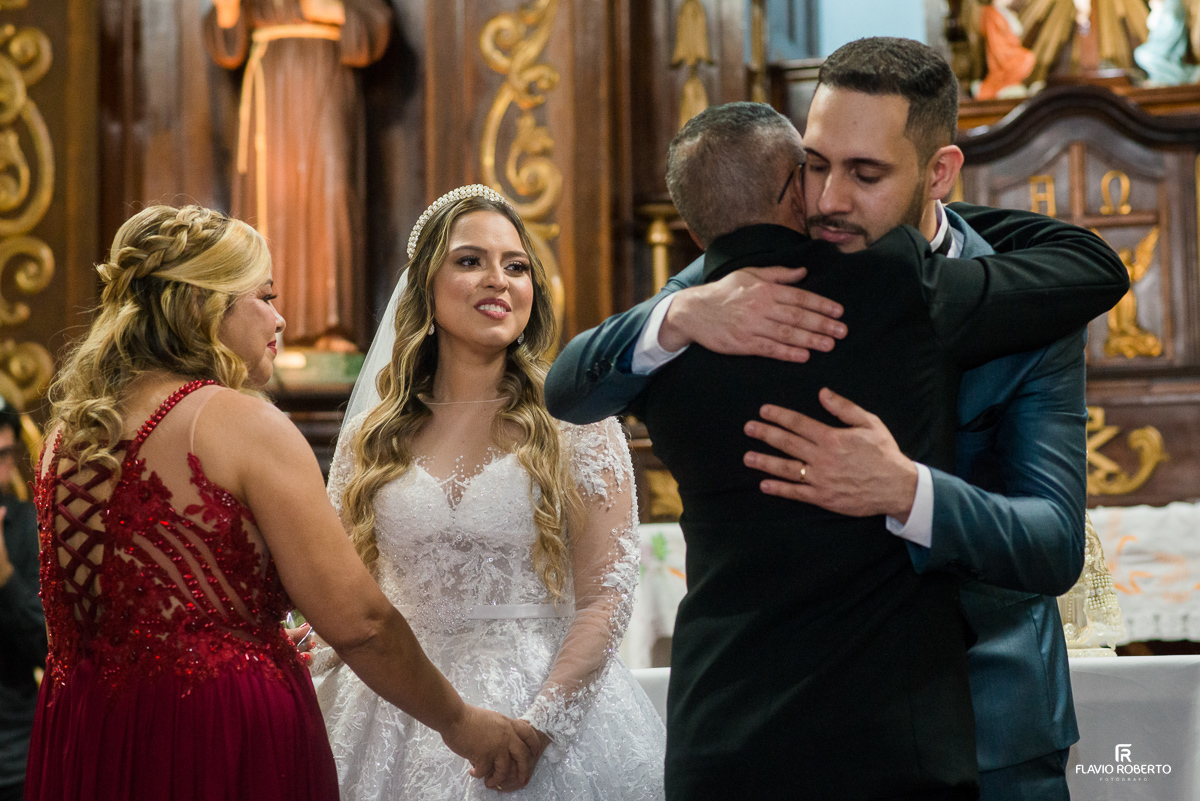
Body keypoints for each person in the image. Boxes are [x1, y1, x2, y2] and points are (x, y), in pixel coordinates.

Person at [545, 38, 1129, 801]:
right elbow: (573, 381)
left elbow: (1053, 542)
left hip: (997, 726)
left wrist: (909, 491)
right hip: (804, 732)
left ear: (939, 173)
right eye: (815, 165)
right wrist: (679, 315)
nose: (826, 201)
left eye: (865, 173)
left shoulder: (1035, 296)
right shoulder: (742, 279)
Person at [26, 204, 540, 801]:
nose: (280, 318)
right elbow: (362, 624)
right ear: (203, 304)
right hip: (216, 732)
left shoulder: (67, 435)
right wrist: (460, 722)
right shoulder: (239, 423)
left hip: (86, 730)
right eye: (264, 297)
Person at [313, 185, 666, 800]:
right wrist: (319, 642)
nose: (497, 280)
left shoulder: (576, 423)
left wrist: (541, 727)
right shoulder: (373, 437)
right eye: (470, 260)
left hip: (544, 706)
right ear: (426, 285)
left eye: (516, 266)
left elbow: (605, 598)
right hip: (396, 706)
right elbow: (351, 588)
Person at [0, 403, 43, 801]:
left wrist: (5, 578)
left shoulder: (29, 525)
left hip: (15, 751)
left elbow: (48, 648)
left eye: (2, 456)